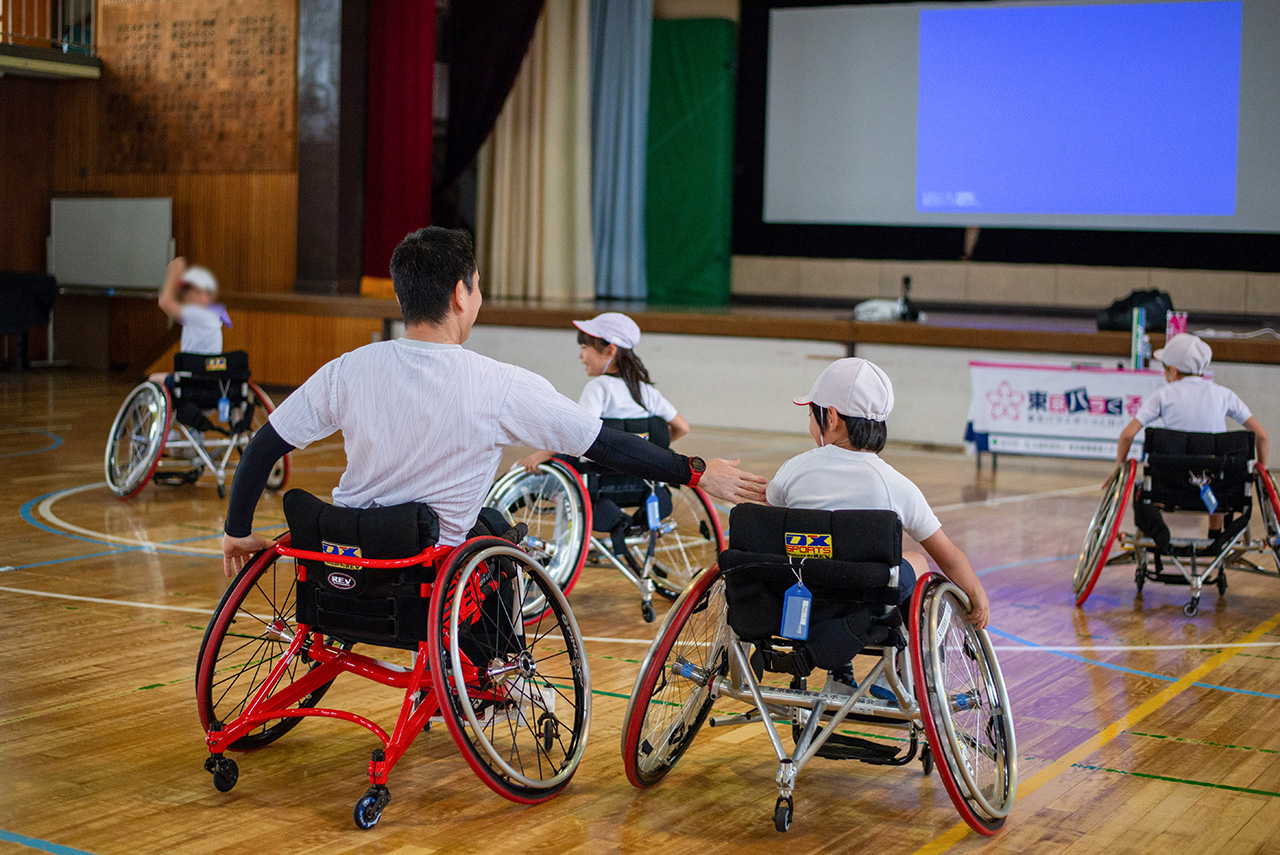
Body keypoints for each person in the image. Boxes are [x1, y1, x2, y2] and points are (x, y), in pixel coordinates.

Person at [220, 227, 767, 577]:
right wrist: (695, 473)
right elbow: (605, 445)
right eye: (477, 287)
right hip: (428, 573)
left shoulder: (348, 369)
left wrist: (237, 529)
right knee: (501, 540)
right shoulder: (500, 384)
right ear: (461, 295)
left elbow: (263, 447)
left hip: (346, 564)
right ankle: (500, 678)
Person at [765, 357, 990, 628]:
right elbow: (948, 555)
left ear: (832, 418)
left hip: (804, 593)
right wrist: (976, 592)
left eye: (811, 414)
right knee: (917, 560)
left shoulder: (793, 470)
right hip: (867, 603)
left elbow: (772, 516)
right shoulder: (896, 486)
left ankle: (841, 667)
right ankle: (904, 658)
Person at [1114, 332, 1269, 537]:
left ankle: (1157, 536)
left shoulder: (1163, 396)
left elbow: (1127, 435)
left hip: (1171, 485)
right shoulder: (1224, 395)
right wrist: (1262, 472)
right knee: (1218, 473)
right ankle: (1215, 535)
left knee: (1146, 486)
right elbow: (1261, 435)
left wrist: (1118, 468)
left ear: (1173, 371)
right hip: (1215, 485)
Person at [517, 312, 689, 473]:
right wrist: (648, 452)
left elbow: (577, 432)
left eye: (584, 347)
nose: (580, 356)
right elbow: (682, 427)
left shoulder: (598, 388)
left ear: (610, 350)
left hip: (596, 472)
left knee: (524, 467)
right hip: (636, 477)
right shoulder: (647, 391)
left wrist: (541, 454)